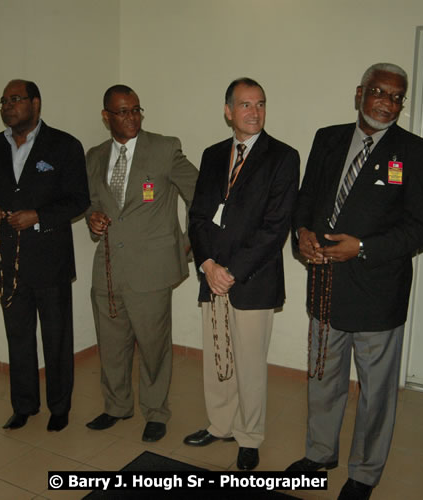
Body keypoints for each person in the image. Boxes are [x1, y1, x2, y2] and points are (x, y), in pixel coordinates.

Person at [288, 63, 423, 500]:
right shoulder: (328, 138)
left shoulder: (418, 153)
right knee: (322, 379)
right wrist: (300, 233)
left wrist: (363, 247)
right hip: (324, 284)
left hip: (378, 292)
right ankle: (319, 455)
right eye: (379, 92)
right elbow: (306, 199)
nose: (387, 103)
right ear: (360, 93)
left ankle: (364, 474)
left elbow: (419, 230)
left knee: (375, 395)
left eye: (397, 97)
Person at [183, 77, 299, 471]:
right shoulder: (213, 154)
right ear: (228, 111)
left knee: (249, 365)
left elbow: (275, 227)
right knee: (217, 358)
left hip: (253, 279)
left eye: (261, 104)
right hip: (212, 275)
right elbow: (198, 215)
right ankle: (220, 424)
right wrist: (207, 265)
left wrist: (231, 272)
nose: (255, 112)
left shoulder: (283, 157)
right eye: (246, 105)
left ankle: (249, 437)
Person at [85, 84, 198, 442]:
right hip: (107, 267)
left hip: (152, 269)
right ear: (106, 117)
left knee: (153, 346)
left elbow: (199, 192)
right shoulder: (94, 156)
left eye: (136, 110)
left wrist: (189, 242)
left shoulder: (164, 149)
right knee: (111, 343)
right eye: (122, 111)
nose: (132, 117)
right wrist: (92, 217)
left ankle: (156, 411)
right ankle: (116, 406)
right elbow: (91, 202)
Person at [0, 79, 89, 432]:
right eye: (3, 101)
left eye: (15, 99)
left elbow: (78, 200)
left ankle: (59, 407)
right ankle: (24, 405)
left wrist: (38, 216)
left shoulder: (64, 145)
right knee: (19, 337)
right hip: (9, 261)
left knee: (56, 337)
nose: (7, 106)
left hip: (50, 259)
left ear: (35, 103)